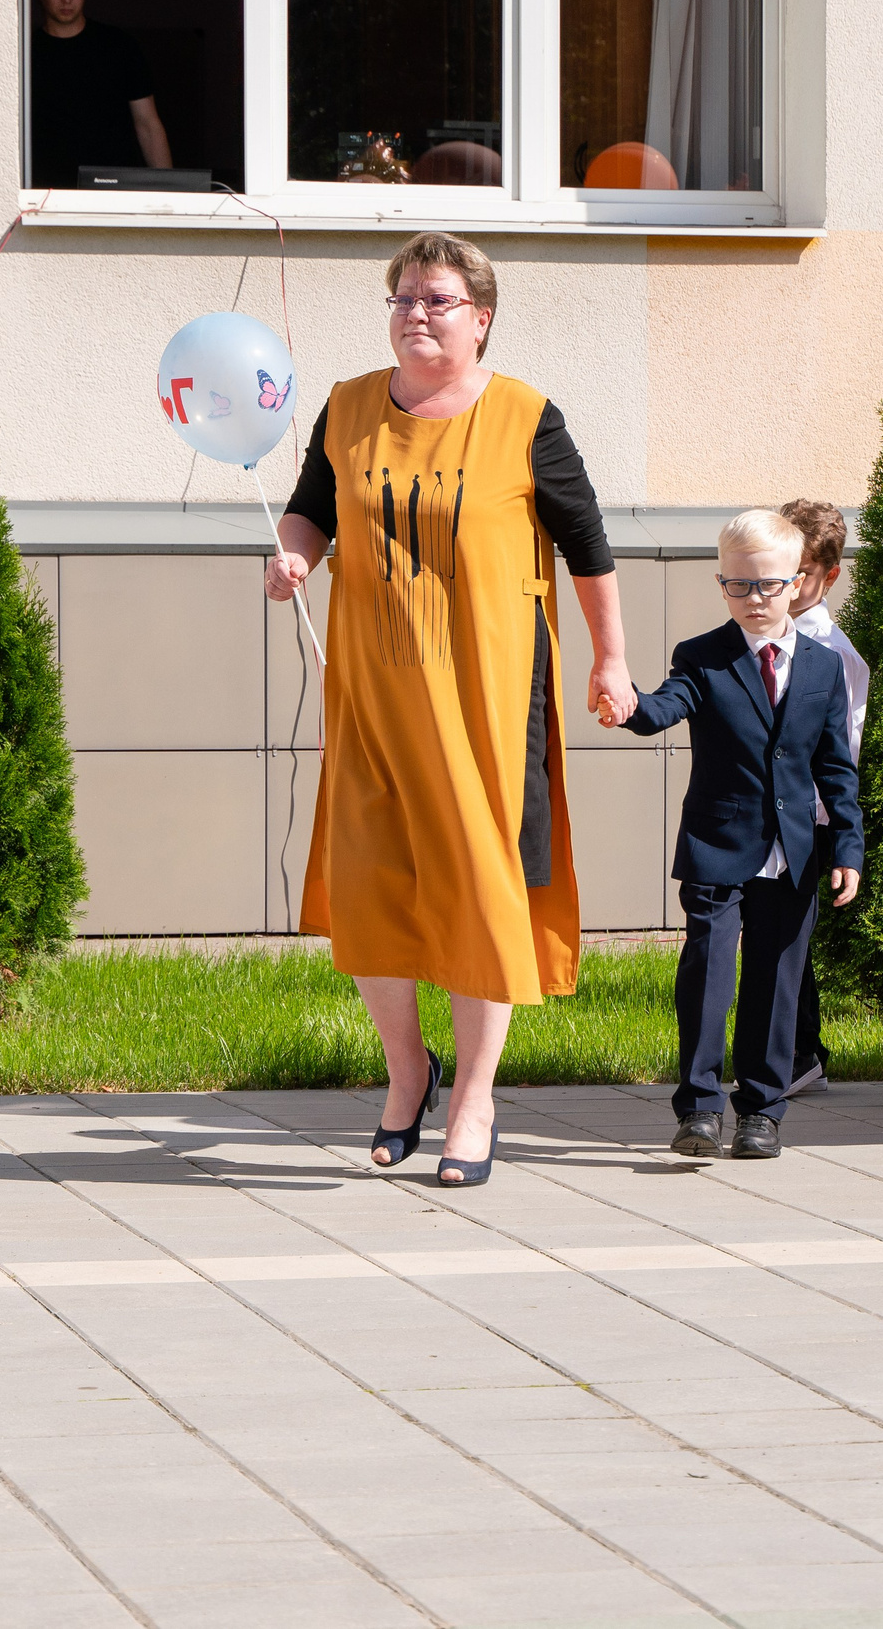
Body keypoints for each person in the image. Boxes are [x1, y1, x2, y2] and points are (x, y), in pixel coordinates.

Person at [268, 232, 636, 1187]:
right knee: (369, 888)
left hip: (484, 695)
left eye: (435, 298)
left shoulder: (524, 417)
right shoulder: (348, 407)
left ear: (481, 316)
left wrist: (614, 658)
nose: (414, 313)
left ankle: (475, 1099)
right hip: (373, 692)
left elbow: (587, 545)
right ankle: (406, 1074)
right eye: (401, 297)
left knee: (479, 886)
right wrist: (297, 554)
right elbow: (313, 504)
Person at [603, 510, 863, 1158]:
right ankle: (698, 1108)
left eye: (768, 586)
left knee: (777, 985)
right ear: (721, 584)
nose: (753, 599)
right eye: (737, 585)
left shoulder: (825, 669)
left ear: (798, 581)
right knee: (709, 973)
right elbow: (666, 704)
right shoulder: (703, 657)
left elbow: (836, 767)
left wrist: (849, 848)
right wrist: (628, 703)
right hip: (719, 844)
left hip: (793, 852)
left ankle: (762, 1112)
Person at [777, 497, 869, 1098]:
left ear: (829, 575)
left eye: (801, 572)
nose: (787, 585)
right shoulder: (765, 630)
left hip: (805, 813)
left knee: (789, 936)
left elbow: (840, 750)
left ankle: (801, 1050)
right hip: (766, 806)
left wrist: (835, 829)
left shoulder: (834, 654)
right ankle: (791, 1046)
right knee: (772, 935)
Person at [27, 0, 172, 188]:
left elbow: (147, 124)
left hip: (115, 190)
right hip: (45, 193)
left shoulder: (120, 47)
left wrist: (171, 195)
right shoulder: (25, 54)